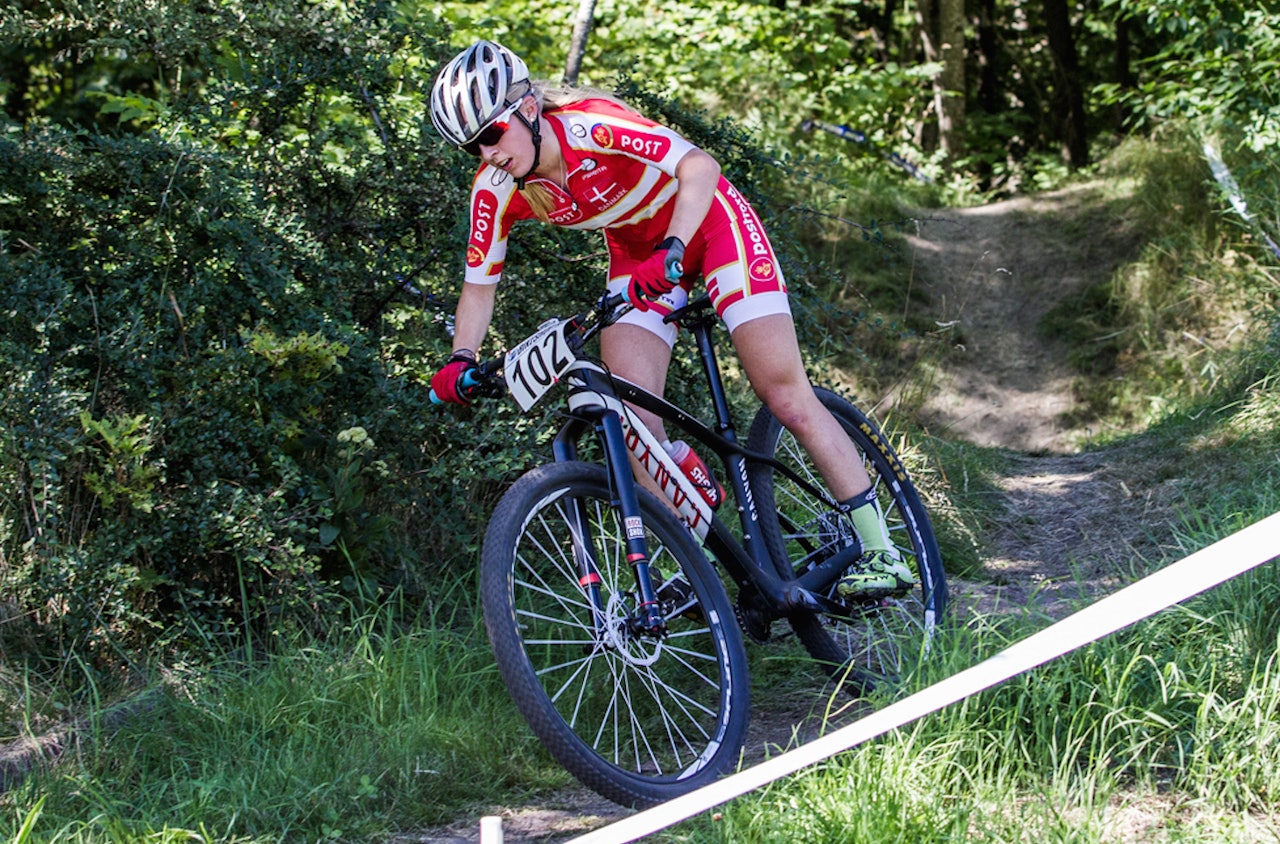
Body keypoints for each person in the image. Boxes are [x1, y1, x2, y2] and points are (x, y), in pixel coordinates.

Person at [427, 40, 914, 599]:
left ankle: (883, 550)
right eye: (471, 147)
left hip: (709, 224)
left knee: (782, 392)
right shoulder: (496, 188)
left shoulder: (592, 127)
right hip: (639, 256)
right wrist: (461, 358)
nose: (486, 153)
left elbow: (699, 167)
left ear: (529, 109)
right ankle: (694, 512)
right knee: (631, 416)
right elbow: (478, 286)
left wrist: (677, 246)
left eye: (491, 134)